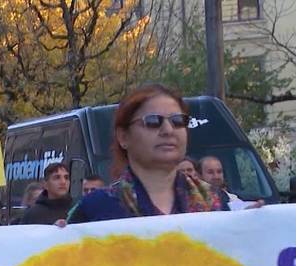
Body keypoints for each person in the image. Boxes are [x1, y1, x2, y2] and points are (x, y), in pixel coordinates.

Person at [68, 84, 232, 223]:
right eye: (153, 121)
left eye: (178, 121)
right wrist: (56, 236)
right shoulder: (97, 208)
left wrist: (251, 224)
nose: (168, 130)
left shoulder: (215, 202)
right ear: (123, 137)